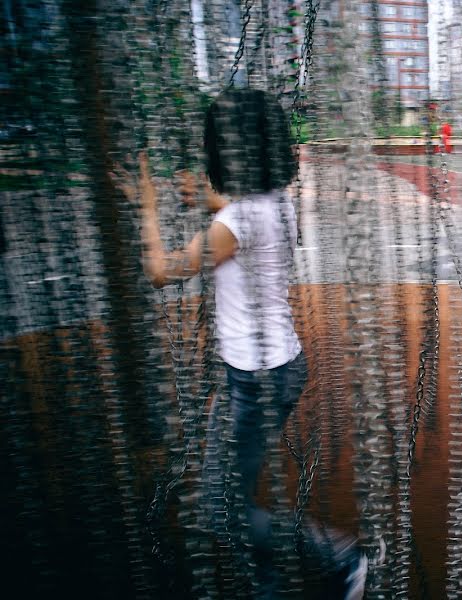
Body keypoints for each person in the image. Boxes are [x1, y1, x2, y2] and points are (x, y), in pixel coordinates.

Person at [115, 88, 366, 599]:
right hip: (270, 370)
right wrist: (207, 200)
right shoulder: (271, 203)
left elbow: (163, 272)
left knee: (219, 510)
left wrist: (145, 207)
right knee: (232, 498)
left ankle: (339, 555)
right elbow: (237, 216)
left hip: (257, 380)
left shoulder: (234, 222)